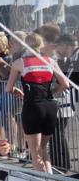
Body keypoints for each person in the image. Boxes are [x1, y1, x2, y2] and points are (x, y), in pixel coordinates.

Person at [5, 32, 69, 173]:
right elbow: (65, 84)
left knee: (35, 152)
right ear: (41, 46)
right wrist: (53, 91)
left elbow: (8, 88)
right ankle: (51, 180)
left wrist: (17, 91)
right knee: (43, 149)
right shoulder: (50, 61)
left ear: (25, 45)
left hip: (32, 106)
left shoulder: (19, 62)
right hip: (50, 106)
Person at [50, 34, 78, 172]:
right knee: (56, 132)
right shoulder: (67, 59)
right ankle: (60, 163)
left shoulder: (74, 58)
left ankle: (62, 163)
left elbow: (69, 80)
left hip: (66, 100)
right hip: (63, 100)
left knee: (57, 132)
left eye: (59, 45)